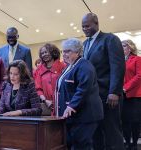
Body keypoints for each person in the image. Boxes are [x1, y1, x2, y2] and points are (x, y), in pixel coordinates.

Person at [82, 13, 125, 150]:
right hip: (92, 98)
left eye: (87, 26)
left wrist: (114, 92)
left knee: (112, 133)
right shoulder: (84, 44)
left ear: (96, 23)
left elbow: (117, 67)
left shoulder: (110, 39)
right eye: (82, 27)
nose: (84, 29)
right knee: (96, 135)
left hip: (108, 95)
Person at [56, 38, 103, 149]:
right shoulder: (69, 66)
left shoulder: (85, 66)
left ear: (77, 52)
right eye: (63, 51)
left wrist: (71, 105)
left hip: (86, 115)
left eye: (68, 51)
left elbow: (83, 89)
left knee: (82, 145)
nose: (64, 54)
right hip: (75, 116)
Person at [34, 43, 66, 115]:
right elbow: (38, 88)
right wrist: (45, 100)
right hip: (47, 105)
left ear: (53, 52)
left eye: (46, 52)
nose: (44, 54)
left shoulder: (62, 66)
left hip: (62, 103)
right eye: (42, 53)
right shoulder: (39, 70)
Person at [121, 40, 141, 150]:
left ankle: (134, 144)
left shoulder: (137, 59)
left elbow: (139, 76)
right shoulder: (120, 61)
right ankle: (127, 142)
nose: (122, 48)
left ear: (130, 47)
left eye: (123, 46)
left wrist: (125, 87)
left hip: (135, 95)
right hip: (122, 95)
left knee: (135, 121)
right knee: (125, 120)